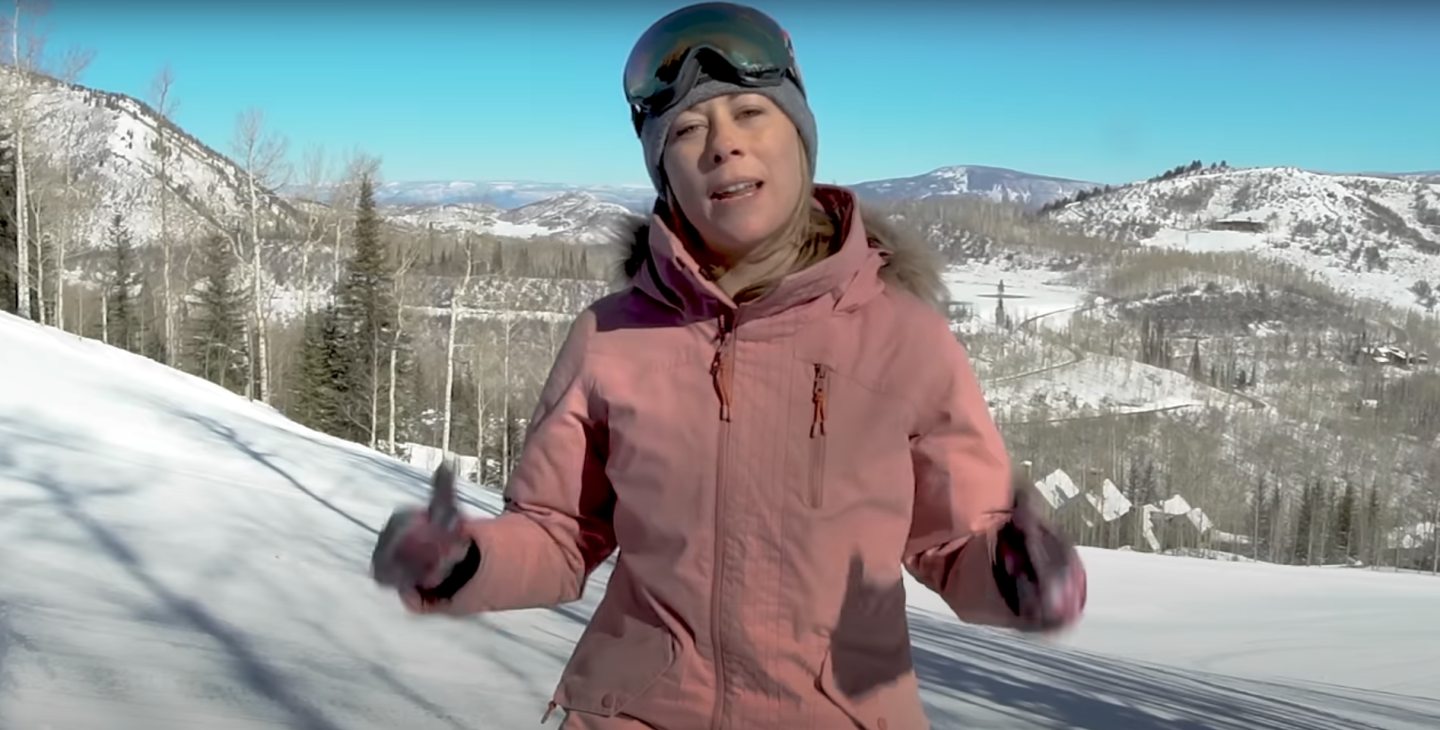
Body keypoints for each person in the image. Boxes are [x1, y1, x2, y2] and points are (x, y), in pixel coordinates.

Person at [369, 3, 1087, 729]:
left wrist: (1017, 577)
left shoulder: (906, 340)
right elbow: (559, 535)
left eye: (751, 113)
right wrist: (463, 562)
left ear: (800, 136)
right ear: (663, 171)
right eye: (685, 130)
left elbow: (957, 542)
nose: (723, 147)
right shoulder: (610, 338)